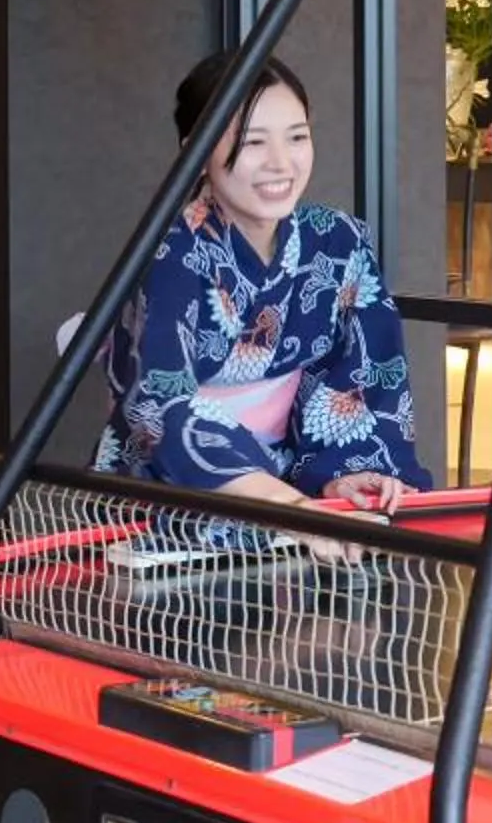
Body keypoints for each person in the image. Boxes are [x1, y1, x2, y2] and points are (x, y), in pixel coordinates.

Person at [94, 52, 433, 510]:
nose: (280, 163)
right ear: (195, 151)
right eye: (253, 143)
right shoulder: (172, 257)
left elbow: (365, 373)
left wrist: (345, 474)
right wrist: (287, 506)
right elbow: (162, 407)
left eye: (297, 137)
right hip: (178, 495)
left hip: (298, 490)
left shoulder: (337, 242)